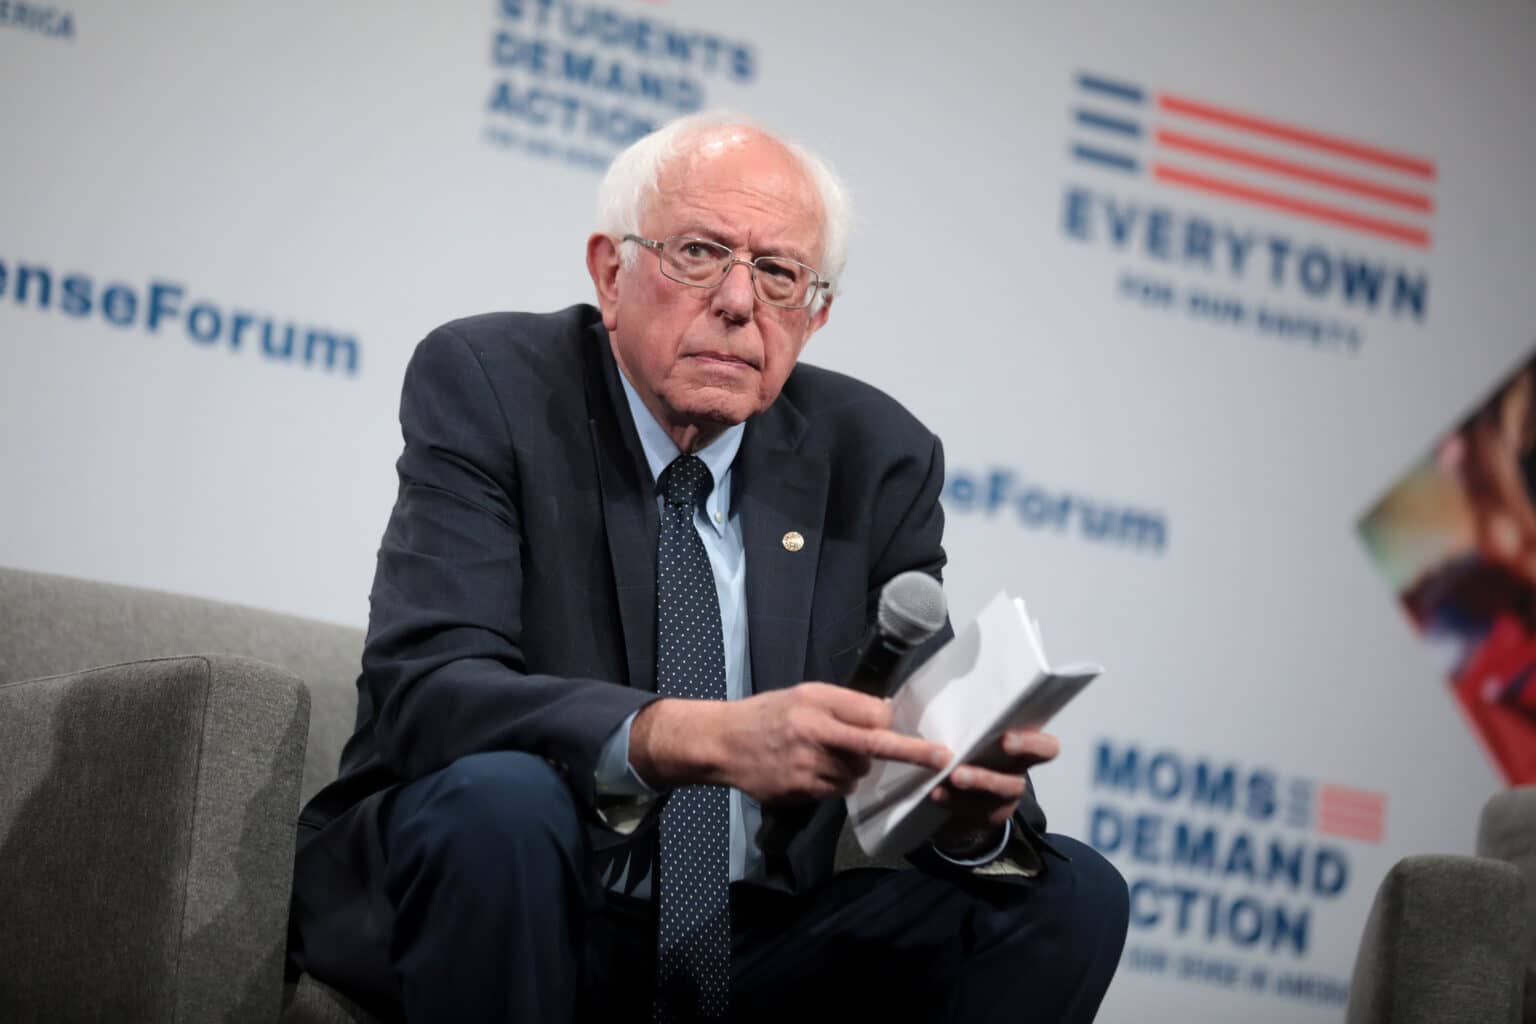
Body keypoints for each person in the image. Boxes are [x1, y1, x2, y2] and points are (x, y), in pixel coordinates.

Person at [287, 111, 1129, 1023]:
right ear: (611, 272)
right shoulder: (494, 383)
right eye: (698, 252)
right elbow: (429, 690)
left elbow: (914, 753)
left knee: (1069, 894)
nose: (738, 302)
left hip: (744, 941)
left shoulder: (875, 459)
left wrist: (966, 813)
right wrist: (701, 738)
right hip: (523, 890)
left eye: (777, 274)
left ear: (815, 316)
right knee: (506, 801)